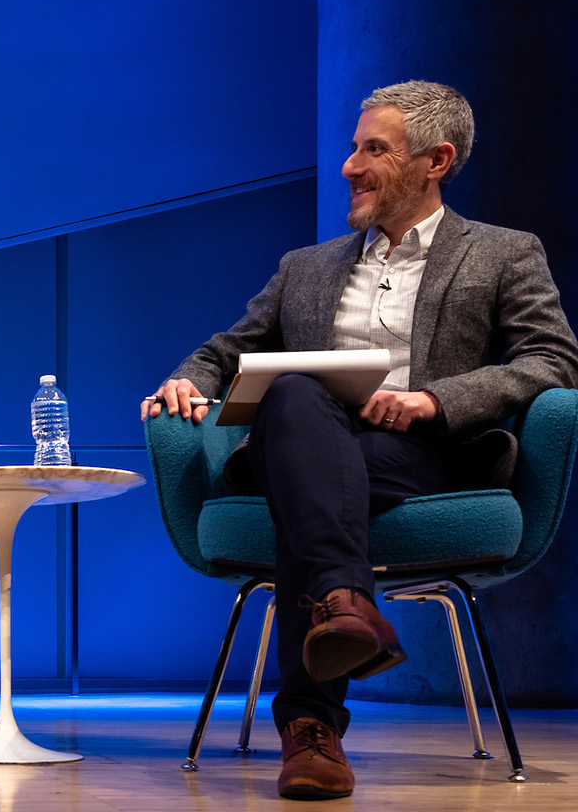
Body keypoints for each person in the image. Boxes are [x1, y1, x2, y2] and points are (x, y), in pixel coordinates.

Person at [142, 81, 577, 800]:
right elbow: (226, 351)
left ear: (436, 160)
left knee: (301, 491)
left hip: (420, 456)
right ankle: (344, 606)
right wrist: (186, 379)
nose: (349, 165)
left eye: (372, 149)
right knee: (293, 394)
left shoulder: (504, 254)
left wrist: (434, 399)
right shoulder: (304, 269)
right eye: (353, 147)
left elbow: (552, 360)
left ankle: (311, 724)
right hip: (303, 443)